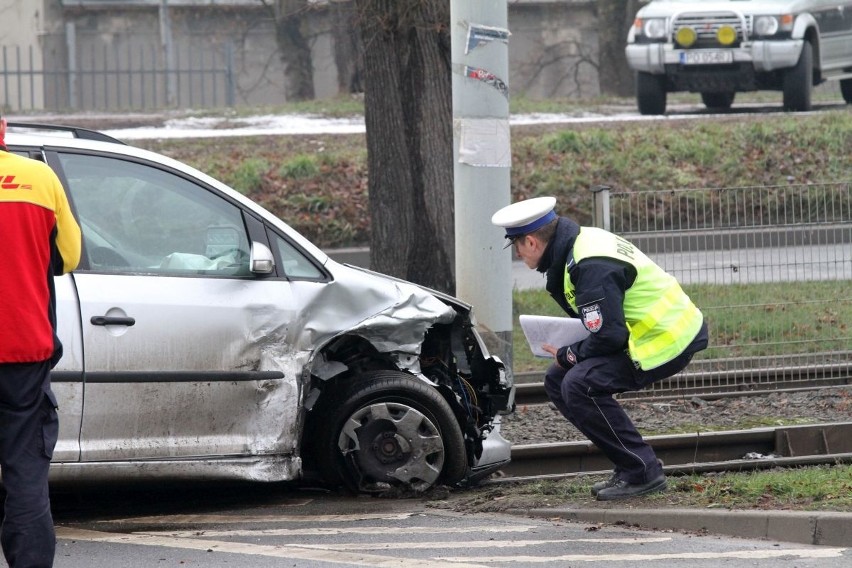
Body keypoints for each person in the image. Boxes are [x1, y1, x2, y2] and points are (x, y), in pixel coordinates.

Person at [492, 196, 708, 500]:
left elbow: (609, 335)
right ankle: (629, 464)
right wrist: (570, 356)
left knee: (580, 384)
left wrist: (570, 354)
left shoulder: (588, 264)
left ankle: (642, 471)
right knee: (558, 379)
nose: (517, 254)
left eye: (515, 246)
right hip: (650, 332)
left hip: (665, 340)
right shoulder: (579, 244)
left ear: (531, 242)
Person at [0, 114, 81, 567]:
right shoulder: (38, 178)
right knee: (25, 473)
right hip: (22, 352)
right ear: (3, 129)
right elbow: (68, 256)